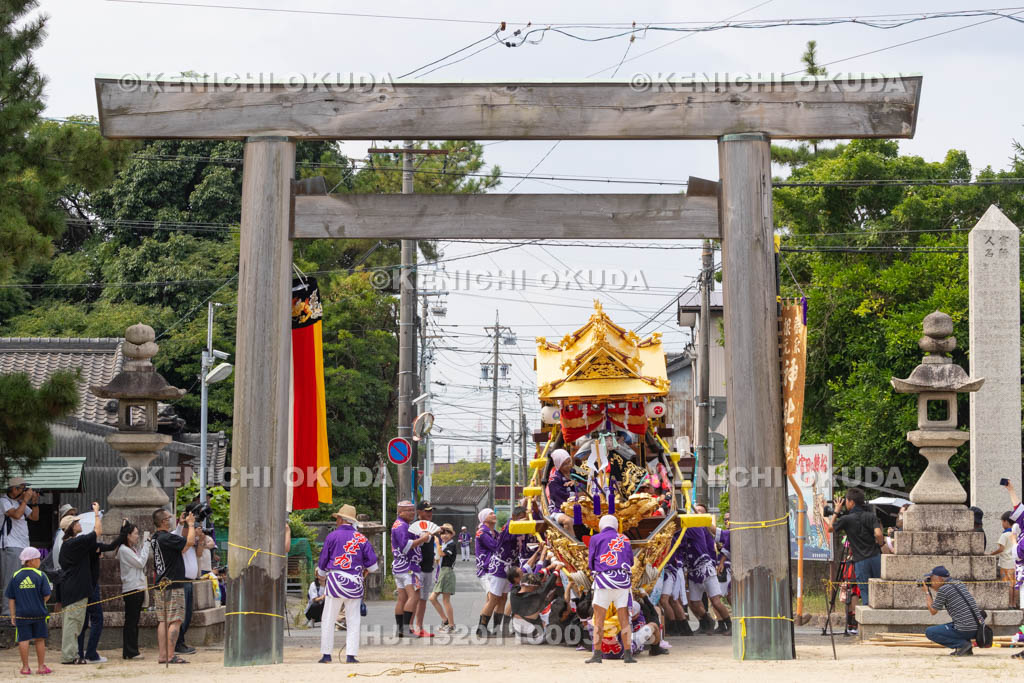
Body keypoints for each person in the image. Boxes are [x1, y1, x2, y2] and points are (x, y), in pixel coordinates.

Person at [316, 504, 379, 664]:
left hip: (335, 581)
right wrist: (363, 573)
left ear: (340, 519)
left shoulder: (332, 536)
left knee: (328, 618)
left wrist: (321, 575)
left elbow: (323, 560)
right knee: (353, 619)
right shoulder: (361, 538)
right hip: (355, 582)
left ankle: (326, 655)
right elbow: (373, 566)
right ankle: (351, 655)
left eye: (337, 518)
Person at [823, 487, 882, 632]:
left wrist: (836, 511)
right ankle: (880, 622)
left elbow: (830, 528)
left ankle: (869, 627)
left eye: (846, 501)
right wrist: (880, 544)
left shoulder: (846, 519)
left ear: (850, 502)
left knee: (865, 591)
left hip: (860, 560)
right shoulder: (871, 516)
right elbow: (879, 533)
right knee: (879, 590)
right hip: (876, 557)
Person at [584, 515, 635, 663]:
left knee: (599, 620)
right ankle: (628, 655)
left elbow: (591, 563)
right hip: (623, 582)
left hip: (604, 582)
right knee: (624, 619)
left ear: (601, 526)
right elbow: (631, 561)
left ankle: (597, 655)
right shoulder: (624, 538)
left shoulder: (596, 538)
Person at [57, 502, 101, 665]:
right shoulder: (73, 543)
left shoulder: (69, 544)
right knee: (72, 624)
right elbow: (97, 532)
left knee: (75, 623)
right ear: (71, 527)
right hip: (75, 589)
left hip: (75, 588)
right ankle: (69, 656)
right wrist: (96, 513)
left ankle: (72, 653)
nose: (79, 524)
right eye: (76, 522)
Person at [150, 506, 196, 665]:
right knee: (175, 620)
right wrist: (190, 525)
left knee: (163, 621)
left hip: (161, 583)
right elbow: (189, 542)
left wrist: (181, 525)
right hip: (173, 584)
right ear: (163, 521)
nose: (171, 520)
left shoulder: (156, 538)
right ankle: (170, 655)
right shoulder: (166, 538)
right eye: (169, 518)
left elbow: (180, 548)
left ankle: (163, 655)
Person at [5, 546, 52, 675]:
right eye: (38, 559)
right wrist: (40, 603)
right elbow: (47, 594)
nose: (40, 561)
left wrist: (13, 615)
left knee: (23, 639)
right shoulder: (41, 575)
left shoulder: (15, 576)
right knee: (40, 639)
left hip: (22, 614)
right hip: (39, 613)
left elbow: (11, 598)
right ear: (30, 561)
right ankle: (41, 667)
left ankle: (25, 668)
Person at [681, 522, 731, 635]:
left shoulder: (696, 527)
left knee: (715, 601)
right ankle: (707, 622)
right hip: (692, 571)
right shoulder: (683, 532)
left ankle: (729, 624)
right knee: (694, 602)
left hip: (706, 568)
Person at [922, 565, 983, 656]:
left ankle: (963, 645)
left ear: (939, 578)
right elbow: (948, 594)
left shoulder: (943, 590)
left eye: (931, 579)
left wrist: (927, 592)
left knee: (930, 632)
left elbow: (933, 611)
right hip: (978, 627)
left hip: (965, 629)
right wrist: (934, 587)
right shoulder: (958, 583)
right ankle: (966, 648)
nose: (931, 581)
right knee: (955, 624)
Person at [390, 500, 430, 638]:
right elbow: (405, 546)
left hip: (399, 566)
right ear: (400, 512)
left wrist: (422, 536)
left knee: (402, 598)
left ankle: (400, 629)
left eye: (413, 510)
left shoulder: (400, 525)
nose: (412, 513)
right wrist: (422, 539)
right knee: (414, 596)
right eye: (409, 511)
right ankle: (406, 629)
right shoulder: (401, 526)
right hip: (409, 567)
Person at [113, 520, 151, 660]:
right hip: (132, 588)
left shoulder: (131, 549)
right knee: (131, 621)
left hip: (138, 586)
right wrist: (146, 544)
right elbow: (141, 562)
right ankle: (130, 651)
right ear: (128, 535)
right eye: (135, 533)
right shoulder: (124, 550)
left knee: (134, 621)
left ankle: (132, 650)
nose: (137, 536)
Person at [2, 477, 40, 618]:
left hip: (24, 547)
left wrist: (34, 502)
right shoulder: (4, 501)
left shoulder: (19, 503)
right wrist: (25, 500)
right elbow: (17, 515)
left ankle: (19, 611)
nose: (25, 491)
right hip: (11, 545)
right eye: (23, 488)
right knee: (11, 580)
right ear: (15, 489)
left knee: (23, 580)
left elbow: (35, 517)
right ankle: (7, 613)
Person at [173, 513, 203, 655]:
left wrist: (201, 539)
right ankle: (178, 643)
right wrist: (187, 524)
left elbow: (199, 553)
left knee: (188, 614)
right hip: (181, 581)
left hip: (190, 582)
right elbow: (178, 533)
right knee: (181, 615)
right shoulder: (178, 540)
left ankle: (181, 641)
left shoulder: (190, 542)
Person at [412, 500, 437, 637]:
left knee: (423, 599)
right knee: (414, 599)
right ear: (419, 512)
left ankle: (420, 627)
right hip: (416, 568)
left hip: (428, 567)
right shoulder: (414, 527)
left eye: (431, 511)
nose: (430, 513)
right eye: (427, 511)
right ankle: (409, 627)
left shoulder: (431, 527)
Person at [429, 524, 457, 632]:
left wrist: (437, 542)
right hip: (442, 572)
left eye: (447, 533)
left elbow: (441, 554)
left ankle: (450, 624)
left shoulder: (451, 545)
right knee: (433, 598)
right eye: (442, 533)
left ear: (451, 534)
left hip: (447, 572)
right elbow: (438, 558)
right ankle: (446, 621)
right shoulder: (445, 544)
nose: (444, 535)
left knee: (445, 600)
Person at [991, 511, 1018, 607]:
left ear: (1006, 522)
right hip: (1015, 563)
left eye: (1002, 522)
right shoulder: (1017, 534)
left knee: (1008, 585)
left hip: (1006, 564)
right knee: (1015, 585)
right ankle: (1014, 604)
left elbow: (1001, 548)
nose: (1002, 524)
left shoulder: (1004, 535)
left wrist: (991, 554)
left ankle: (1009, 604)